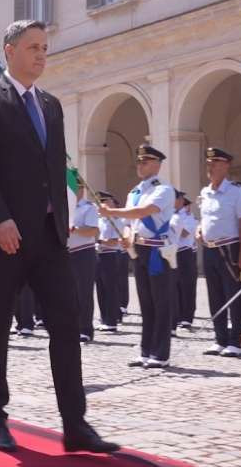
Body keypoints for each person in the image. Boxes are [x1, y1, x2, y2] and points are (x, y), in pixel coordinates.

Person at [0, 20, 118, 454]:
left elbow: (55, 168)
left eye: (45, 48)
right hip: (5, 237)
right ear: (10, 51)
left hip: (49, 237)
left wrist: (63, 215)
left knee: (67, 325)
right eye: (32, 47)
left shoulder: (51, 104)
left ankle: (75, 424)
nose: (41, 55)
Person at [100, 145, 177, 370]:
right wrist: (126, 236)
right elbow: (129, 223)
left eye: (145, 162)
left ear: (157, 165)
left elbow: (143, 212)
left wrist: (111, 212)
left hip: (157, 252)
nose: (140, 166)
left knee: (160, 303)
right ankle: (146, 351)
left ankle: (161, 354)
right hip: (138, 249)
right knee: (146, 303)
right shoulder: (134, 192)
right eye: (139, 162)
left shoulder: (164, 189)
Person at [195, 148, 241, 358]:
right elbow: (206, 218)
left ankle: (236, 341)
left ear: (226, 165)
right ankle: (220, 339)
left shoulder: (236, 191)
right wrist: (199, 229)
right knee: (215, 294)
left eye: (215, 162)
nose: (210, 167)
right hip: (209, 248)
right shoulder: (205, 192)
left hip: (229, 247)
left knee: (233, 295)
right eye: (209, 163)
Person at [67, 179, 99, 342]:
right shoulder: (66, 207)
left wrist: (75, 229)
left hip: (83, 252)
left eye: (74, 187)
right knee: (69, 293)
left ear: (81, 189)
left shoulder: (88, 208)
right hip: (67, 252)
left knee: (84, 292)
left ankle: (85, 328)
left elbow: (93, 230)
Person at [94, 191, 123, 333]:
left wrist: (99, 241)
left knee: (110, 288)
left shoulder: (116, 220)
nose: (102, 205)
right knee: (100, 289)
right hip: (99, 255)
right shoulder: (100, 220)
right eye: (100, 202)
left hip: (111, 255)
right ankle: (104, 318)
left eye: (104, 202)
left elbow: (114, 241)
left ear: (111, 203)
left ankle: (112, 320)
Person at [171, 193, 198, 331]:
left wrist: (172, 226)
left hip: (184, 252)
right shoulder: (170, 215)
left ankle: (187, 317)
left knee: (187, 286)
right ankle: (175, 316)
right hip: (172, 253)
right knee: (173, 287)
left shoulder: (188, 217)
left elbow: (185, 233)